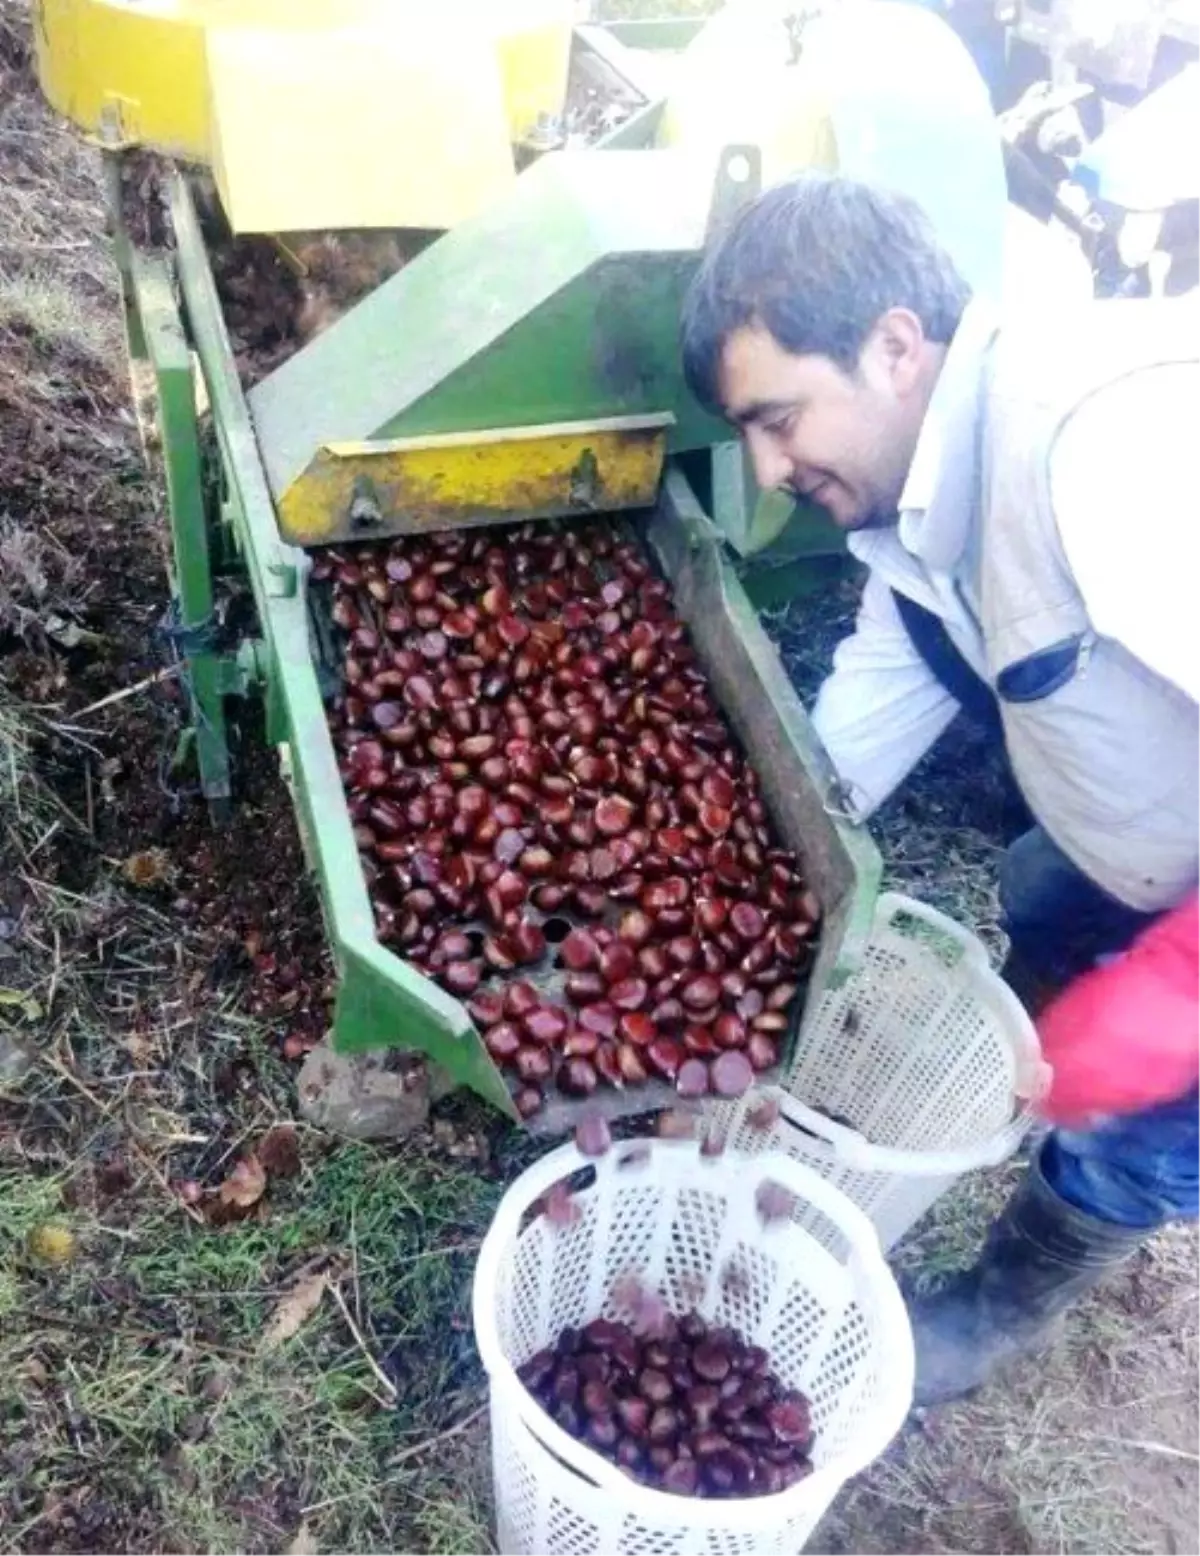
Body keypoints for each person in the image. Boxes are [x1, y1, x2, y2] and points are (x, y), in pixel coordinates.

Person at [679, 171, 1200, 1405]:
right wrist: (719, 898)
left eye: (779, 418)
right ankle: (1015, 1070)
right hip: (1149, 822)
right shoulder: (919, 512)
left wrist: (1180, 981)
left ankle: (991, 1314)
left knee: (1142, 1129)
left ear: (895, 345)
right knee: (1044, 888)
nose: (765, 469)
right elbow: (845, 746)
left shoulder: (1108, 454)